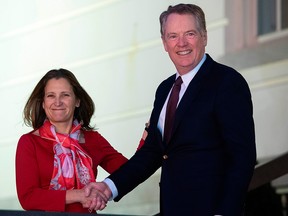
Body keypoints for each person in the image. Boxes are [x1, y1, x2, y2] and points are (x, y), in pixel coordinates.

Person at [85, 3, 257, 216]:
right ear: (164, 43)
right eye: (173, 36)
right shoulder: (165, 89)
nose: (181, 43)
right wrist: (108, 187)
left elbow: (242, 157)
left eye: (190, 34)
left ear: (204, 37)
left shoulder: (227, 82)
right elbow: (152, 152)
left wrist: (225, 213)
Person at [15, 68, 128, 213]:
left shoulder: (93, 139)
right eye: (50, 96)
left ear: (77, 101)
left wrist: (147, 142)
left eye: (65, 95)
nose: (57, 102)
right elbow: (28, 198)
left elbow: (130, 172)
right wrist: (80, 195)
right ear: (43, 103)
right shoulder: (29, 142)